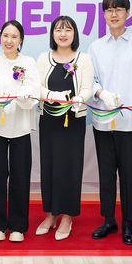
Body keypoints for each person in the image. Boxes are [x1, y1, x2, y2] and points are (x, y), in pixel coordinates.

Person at [87, 0, 132, 245]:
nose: (114, 14)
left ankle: (128, 221)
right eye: (109, 10)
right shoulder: (96, 47)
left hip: (130, 121)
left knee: (128, 173)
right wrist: (100, 93)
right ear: (104, 15)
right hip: (103, 120)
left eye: (118, 9)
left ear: (128, 13)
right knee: (106, 172)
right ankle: (109, 219)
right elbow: (90, 79)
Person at [35, 16, 93, 241]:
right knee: (49, 167)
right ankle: (50, 214)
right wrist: (53, 96)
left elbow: (87, 87)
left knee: (70, 168)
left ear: (74, 34)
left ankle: (67, 216)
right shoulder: (44, 58)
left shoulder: (83, 59)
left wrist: (79, 98)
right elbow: (37, 86)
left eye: (68, 30)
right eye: (58, 30)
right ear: (52, 34)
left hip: (73, 121)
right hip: (49, 120)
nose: (63, 34)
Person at [0, 20, 40, 242]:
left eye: (14, 36)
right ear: (0, 38)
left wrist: (23, 98)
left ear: (21, 40)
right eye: (6, 35)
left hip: (21, 127)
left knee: (20, 176)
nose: (9, 40)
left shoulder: (28, 62)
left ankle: (18, 226)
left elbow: (34, 90)